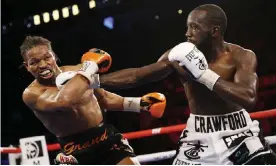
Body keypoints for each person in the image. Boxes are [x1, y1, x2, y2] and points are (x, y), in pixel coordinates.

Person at [82, 4, 276, 165]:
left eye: (195, 27)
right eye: (187, 27)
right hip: (199, 135)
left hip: (238, 132)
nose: (187, 33)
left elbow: (248, 98)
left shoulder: (241, 56)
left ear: (214, 31)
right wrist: (91, 81)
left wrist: (203, 75)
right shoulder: (179, 55)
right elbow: (138, 75)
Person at [20, 36, 167, 165]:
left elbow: (103, 99)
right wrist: (90, 67)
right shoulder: (31, 94)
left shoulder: (79, 71)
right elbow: (64, 101)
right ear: (27, 67)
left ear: (54, 56)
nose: (43, 65)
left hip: (105, 138)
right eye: (34, 62)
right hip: (74, 151)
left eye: (47, 57)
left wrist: (138, 104)